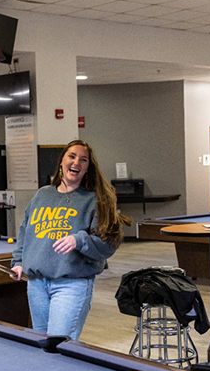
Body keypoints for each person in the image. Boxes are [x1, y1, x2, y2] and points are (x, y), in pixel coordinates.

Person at [10, 140, 131, 340]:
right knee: (41, 343)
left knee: (59, 345)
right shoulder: (42, 195)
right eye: (72, 156)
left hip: (71, 284)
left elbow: (108, 243)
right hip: (36, 284)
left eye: (83, 160)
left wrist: (79, 240)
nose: (76, 163)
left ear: (87, 169)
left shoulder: (95, 200)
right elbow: (25, 232)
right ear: (61, 162)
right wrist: (19, 262)